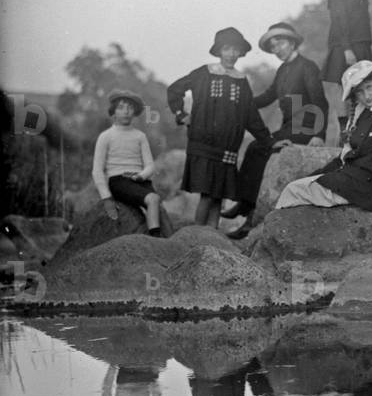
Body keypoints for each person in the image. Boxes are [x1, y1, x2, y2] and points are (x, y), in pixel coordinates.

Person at [276, 61, 372, 239]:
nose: (366, 96)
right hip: (351, 179)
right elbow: (344, 157)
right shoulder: (362, 115)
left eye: (369, 87)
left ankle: (286, 239)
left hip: (367, 187)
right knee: (298, 186)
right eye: (359, 91)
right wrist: (316, 175)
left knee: (294, 191)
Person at [221, 22, 329, 238]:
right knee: (254, 147)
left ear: (291, 42)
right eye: (273, 45)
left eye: (280, 43)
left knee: (259, 149)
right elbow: (269, 96)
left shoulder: (307, 66)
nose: (277, 48)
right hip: (288, 127)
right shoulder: (282, 70)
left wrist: (319, 135)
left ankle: (249, 213)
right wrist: (244, 102)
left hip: (305, 129)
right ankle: (245, 204)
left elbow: (320, 101)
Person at [166, 27, 277, 230]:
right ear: (219, 51)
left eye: (236, 50)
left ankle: (212, 239)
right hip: (203, 144)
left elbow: (251, 116)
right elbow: (174, 89)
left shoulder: (242, 81)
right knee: (207, 196)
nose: (231, 54)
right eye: (227, 49)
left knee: (219, 197)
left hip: (228, 148)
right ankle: (197, 238)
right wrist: (182, 115)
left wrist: (270, 141)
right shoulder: (203, 73)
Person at [92, 89, 162, 236]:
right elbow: (97, 171)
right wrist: (106, 198)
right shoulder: (106, 136)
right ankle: (155, 240)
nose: (126, 112)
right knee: (153, 199)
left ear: (135, 112)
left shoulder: (140, 136)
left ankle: (169, 242)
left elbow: (150, 165)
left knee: (160, 208)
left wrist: (141, 176)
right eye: (121, 108)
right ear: (113, 112)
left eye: (130, 108)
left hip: (139, 180)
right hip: (119, 181)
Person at [321, 0, 372, 138]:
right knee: (345, 87)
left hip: (362, 44)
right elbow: (340, 21)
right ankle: (345, 130)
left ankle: (361, 128)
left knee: (362, 86)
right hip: (347, 46)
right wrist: (347, 49)